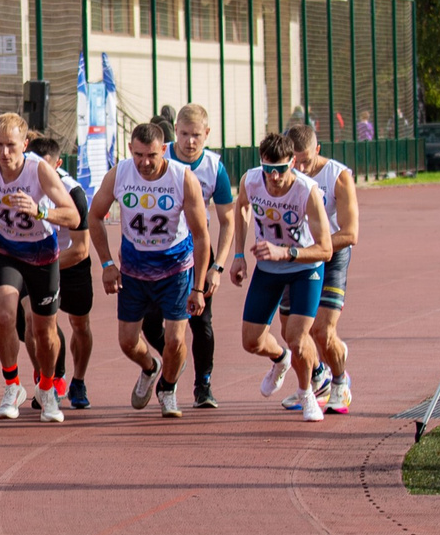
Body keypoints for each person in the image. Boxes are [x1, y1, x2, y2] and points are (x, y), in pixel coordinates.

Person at [90, 121, 211, 418]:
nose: (144, 163)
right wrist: (107, 263)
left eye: (152, 156)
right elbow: (94, 216)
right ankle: (150, 367)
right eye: (139, 155)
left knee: (175, 339)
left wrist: (198, 286)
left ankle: (168, 390)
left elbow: (201, 235)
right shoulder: (119, 174)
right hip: (134, 270)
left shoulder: (182, 178)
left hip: (175, 269)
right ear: (130, 150)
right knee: (128, 342)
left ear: (164, 151)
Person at [0, 114, 82, 421]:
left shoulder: (39, 171)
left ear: (25, 144)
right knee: (5, 314)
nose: (4, 153)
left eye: (11, 146)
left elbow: (72, 217)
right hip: (5, 249)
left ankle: (47, 388)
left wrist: (39, 210)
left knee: (43, 331)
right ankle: (12, 386)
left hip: (41, 253)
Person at [229, 133, 333, 423]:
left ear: (294, 163)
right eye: (268, 170)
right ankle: (280, 359)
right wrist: (239, 254)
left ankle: (306, 393)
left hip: (303, 268)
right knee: (251, 341)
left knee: (297, 338)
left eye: (281, 170)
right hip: (268, 267)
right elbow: (242, 207)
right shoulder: (251, 181)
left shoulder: (307, 191)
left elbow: (325, 250)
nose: (274, 178)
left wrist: (285, 253)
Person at [283, 123, 360, 413]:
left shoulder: (337, 176)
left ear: (318, 150)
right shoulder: (282, 173)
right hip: (299, 257)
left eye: (306, 160)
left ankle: (340, 381)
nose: (300, 167)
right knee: (291, 333)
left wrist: (317, 248)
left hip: (331, 254)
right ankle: (319, 378)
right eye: (295, 161)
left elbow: (350, 233)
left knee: (322, 331)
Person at [170, 104, 238, 409]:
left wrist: (218, 266)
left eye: (196, 135)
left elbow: (227, 220)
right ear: (175, 132)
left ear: (207, 134)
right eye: (184, 134)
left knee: (201, 322)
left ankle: (203, 384)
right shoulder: (159, 158)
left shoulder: (214, 167)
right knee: (150, 320)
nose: (190, 142)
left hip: (199, 251)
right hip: (162, 251)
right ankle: (173, 357)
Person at [37, 133, 97, 411]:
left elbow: (82, 249)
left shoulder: (73, 193)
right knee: (37, 324)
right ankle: (50, 378)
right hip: (37, 260)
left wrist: (48, 266)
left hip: (69, 262)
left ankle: (79, 380)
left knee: (80, 325)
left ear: (58, 163)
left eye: (47, 169)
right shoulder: (21, 183)